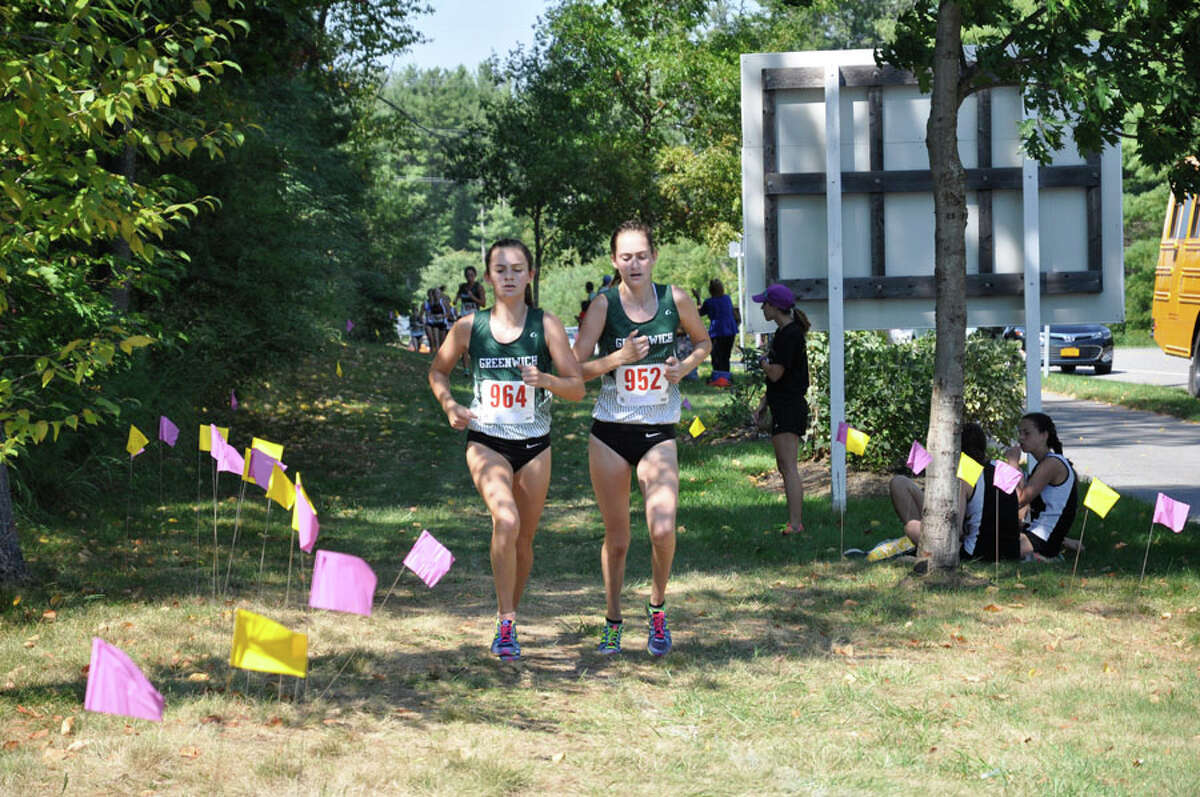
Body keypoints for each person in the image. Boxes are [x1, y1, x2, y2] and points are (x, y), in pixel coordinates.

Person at [428, 239, 584, 661]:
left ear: (530, 275)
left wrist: (546, 381)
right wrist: (449, 405)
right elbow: (438, 370)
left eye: (518, 269)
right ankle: (506, 620)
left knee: (525, 538)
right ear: (488, 277)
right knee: (506, 518)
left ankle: (509, 618)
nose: (510, 276)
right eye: (501, 269)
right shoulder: (468, 326)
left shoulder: (546, 325)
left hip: (534, 445)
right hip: (487, 441)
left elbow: (577, 388)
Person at [572, 220, 712, 657]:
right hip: (610, 434)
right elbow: (573, 370)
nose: (634, 264)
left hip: (658, 432)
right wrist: (618, 357)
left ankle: (656, 608)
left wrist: (685, 367)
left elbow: (704, 342)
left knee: (663, 527)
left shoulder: (676, 299)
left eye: (641, 255)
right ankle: (613, 619)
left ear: (653, 257)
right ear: (615, 261)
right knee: (618, 539)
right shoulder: (602, 305)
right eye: (625, 256)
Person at [874, 422, 1021, 561]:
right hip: (1011, 551)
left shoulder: (965, 475)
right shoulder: (1000, 467)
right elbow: (1018, 506)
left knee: (912, 527)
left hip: (977, 552)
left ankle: (922, 553)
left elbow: (954, 530)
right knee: (900, 482)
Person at [750, 284, 810, 536]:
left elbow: (775, 373)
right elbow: (777, 379)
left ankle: (796, 524)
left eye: (765, 304)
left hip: (789, 407)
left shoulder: (790, 334)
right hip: (781, 404)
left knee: (789, 467)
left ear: (775, 307)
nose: (762, 307)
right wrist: (763, 404)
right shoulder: (783, 333)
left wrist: (762, 361)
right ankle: (793, 521)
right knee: (784, 466)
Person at [1005, 411, 1080, 561]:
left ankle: (1054, 549)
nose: (1020, 438)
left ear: (1044, 435)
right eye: (1019, 433)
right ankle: (1064, 543)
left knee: (988, 548)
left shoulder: (1051, 464)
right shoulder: (1045, 463)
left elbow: (1018, 500)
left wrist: (1012, 464)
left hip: (1042, 538)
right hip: (1037, 532)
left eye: (1026, 433)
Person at [697, 278, 740, 387]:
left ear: (711, 290)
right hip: (730, 330)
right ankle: (726, 379)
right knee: (726, 356)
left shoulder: (709, 302)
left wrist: (697, 298)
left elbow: (699, 313)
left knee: (716, 355)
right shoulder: (727, 299)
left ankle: (717, 379)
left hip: (717, 331)